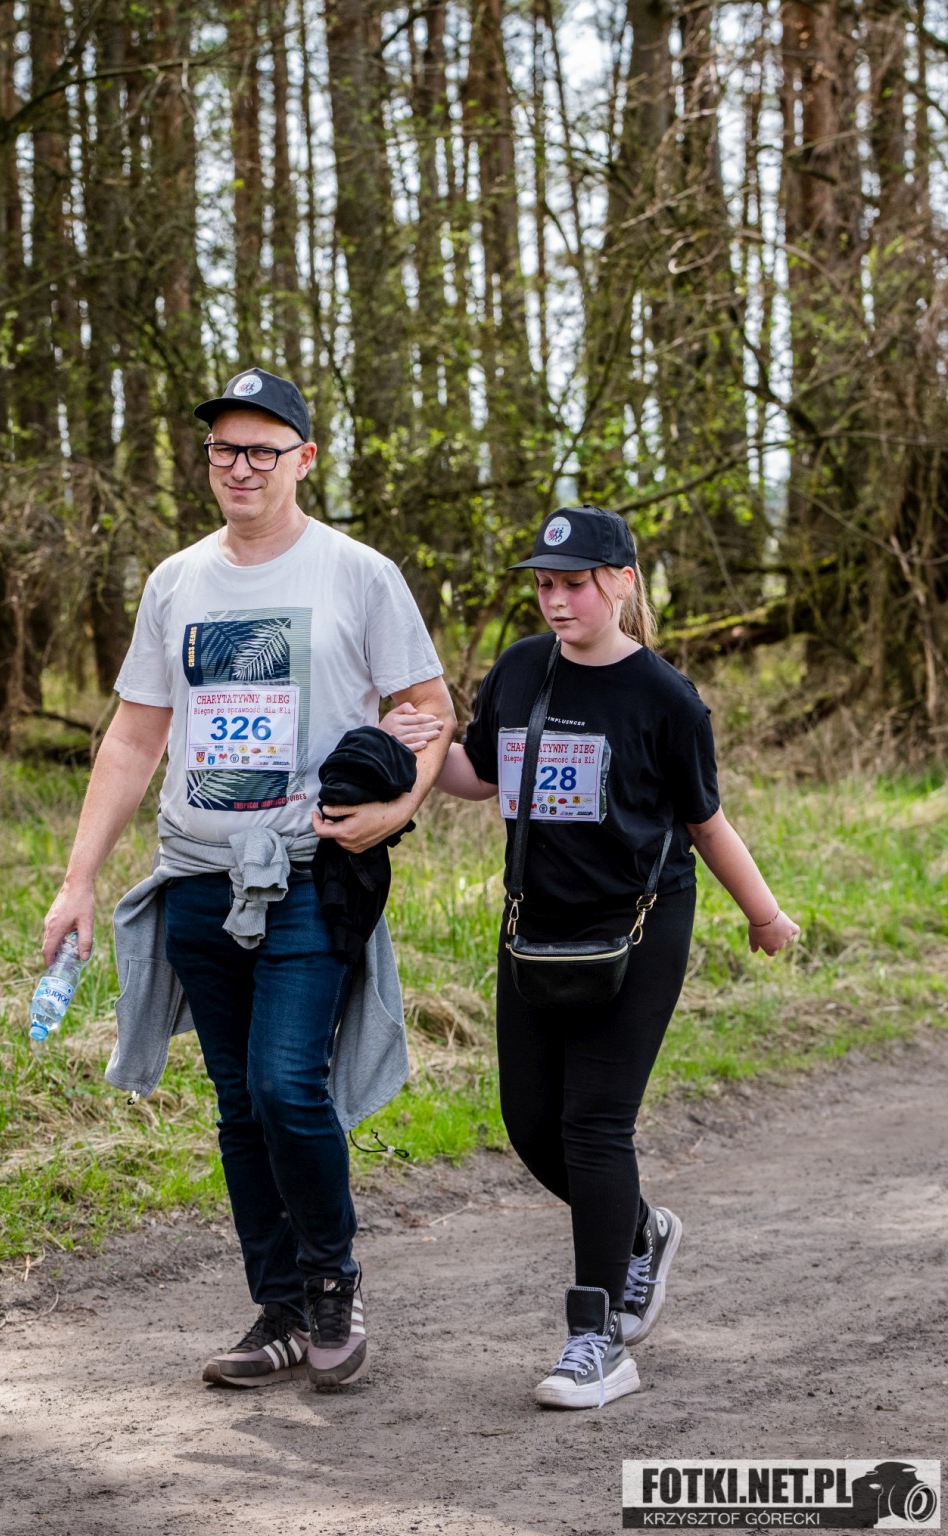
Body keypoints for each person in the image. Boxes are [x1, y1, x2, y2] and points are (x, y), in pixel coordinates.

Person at [42, 367, 454, 1392]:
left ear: (303, 460)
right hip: (197, 876)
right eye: (224, 449)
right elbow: (135, 737)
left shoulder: (358, 574)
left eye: (262, 451)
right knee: (237, 1104)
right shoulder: (176, 582)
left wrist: (394, 813)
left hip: (310, 874)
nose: (239, 467)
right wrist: (78, 880)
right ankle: (279, 1309)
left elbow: (430, 709)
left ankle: (333, 1281)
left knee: (284, 1083)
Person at [384, 504, 799, 1411]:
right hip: (534, 928)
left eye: (574, 584)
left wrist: (764, 915)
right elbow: (479, 777)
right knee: (531, 1123)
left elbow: (705, 822)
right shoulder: (521, 670)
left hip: (639, 929)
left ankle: (596, 1338)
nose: (556, 600)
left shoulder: (666, 698)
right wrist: (422, 746)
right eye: (545, 585)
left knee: (594, 1124)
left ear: (620, 583)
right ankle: (640, 1230)